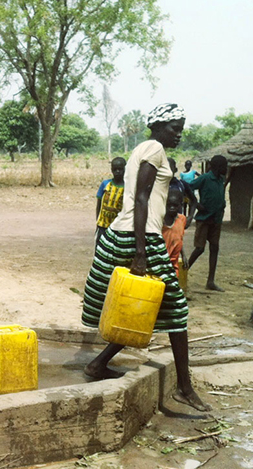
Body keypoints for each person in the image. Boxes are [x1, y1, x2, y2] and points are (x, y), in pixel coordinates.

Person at [81, 103, 210, 412]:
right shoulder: (154, 149)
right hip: (138, 237)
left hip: (124, 234)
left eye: (181, 127)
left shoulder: (147, 148)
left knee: (139, 307)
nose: (179, 133)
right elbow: (140, 197)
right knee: (176, 307)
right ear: (157, 126)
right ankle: (183, 387)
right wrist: (141, 252)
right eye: (174, 127)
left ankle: (98, 364)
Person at [187, 155, 228, 292]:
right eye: (224, 166)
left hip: (216, 219)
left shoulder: (220, 179)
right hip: (204, 219)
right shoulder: (205, 178)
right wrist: (196, 203)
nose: (226, 169)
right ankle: (181, 274)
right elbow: (187, 187)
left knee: (214, 248)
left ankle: (210, 281)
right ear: (218, 167)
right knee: (199, 249)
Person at [95, 157, 126, 245]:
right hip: (103, 225)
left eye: (120, 169)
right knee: (100, 248)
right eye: (115, 169)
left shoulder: (128, 187)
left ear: (125, 169)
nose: (117, 171)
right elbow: (99, 205)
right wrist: (97, 222)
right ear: (111, 169)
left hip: (118, 226)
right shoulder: (105, 184)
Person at [162, 189, 187, 276]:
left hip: (173, 264)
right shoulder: (160, 221)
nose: (172, 208)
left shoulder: (182, 219)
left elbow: (179, 238)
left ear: (180, 205)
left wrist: (183, 255)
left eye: (175, 205)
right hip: (160, 262)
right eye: (169, 205)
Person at [167, 157, 197, 228]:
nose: (167, 171)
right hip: (160, 225)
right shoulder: (156, 185)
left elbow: (194, 200)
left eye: (170, 168)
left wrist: (190, 217)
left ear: (175, 170)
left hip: (177, 225)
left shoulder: (181, 184)